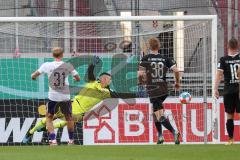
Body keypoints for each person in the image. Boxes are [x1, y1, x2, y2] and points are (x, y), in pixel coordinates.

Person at [23, 56, 136, 144]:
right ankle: (30, 132)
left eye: (109, 79)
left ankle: (44, 128)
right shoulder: (93, 82)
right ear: (101, 78)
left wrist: (135, 94)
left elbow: (119, 96)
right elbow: (91, 73)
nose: (107, 80)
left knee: (66, 121)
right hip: (72, 103)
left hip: (80, 111)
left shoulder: (107, 93)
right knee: (51, 118)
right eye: (105, 78)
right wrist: (93, 63)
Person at [27, 47, 80, 145]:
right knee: (69, 118)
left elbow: (34, 75)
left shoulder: (47, 65)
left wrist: (33, 77)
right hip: (65, 96)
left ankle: (53, 140)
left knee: (49, 117)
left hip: (53, 96)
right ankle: (71, 140)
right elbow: (77, 78)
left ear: (52, 55)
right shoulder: (67, 65)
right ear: (62, 55)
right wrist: (74, 78)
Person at [138, 37, 181, 144]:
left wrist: (141, 82)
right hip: (164, 89)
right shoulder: (165, 58)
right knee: (155, 112)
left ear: (149, 46)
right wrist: (177, 82)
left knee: (159, 115)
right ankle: (160, 136)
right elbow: (176, 70)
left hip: (153, 89)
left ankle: (174, 131)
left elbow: (140, 73)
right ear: (159, 46)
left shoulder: (146, 58)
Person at [214, 37, 240, 145]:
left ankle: (230, 139)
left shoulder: (223, 59)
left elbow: (219, 75)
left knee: (230, 115)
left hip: (228, 91)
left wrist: (215, 88)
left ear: (228, 46)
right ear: (237, 46)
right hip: (239, 90)